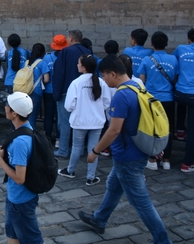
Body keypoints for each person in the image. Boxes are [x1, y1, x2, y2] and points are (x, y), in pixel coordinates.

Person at [79, 56, 172, 244]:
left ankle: (162, 240)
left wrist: (95, 151)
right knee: (114, 186)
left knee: (141, 202)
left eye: (104, 75)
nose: (103, 80)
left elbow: (114, 130)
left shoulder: (121, 95)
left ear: (113, 74)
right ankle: (99, 219)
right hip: (135, 152)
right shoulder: (138, 87)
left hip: (128, 156)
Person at [0, 92, 43, 244]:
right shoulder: (27, 129)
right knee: (13, 237)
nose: (5, 107)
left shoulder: (20, 142)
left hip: (21, 200)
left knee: (33, 241)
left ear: (14, 113)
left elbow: (20, 178)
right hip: (15, 197)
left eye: (8, 105)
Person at [58, 55, 110, 186]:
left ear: (84, 67)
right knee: (94, 149)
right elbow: (106, 103)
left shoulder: (76, 83)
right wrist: (97, 109)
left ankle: (70, 170)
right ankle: (91, 177)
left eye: (79, 63)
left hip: (80, 121)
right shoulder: (101, 82)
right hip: (97, 121)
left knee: (77, 147)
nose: (77, 65)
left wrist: (79, 108)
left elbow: (69, 105)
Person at [138, 31, 178, 171]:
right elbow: (175, 79)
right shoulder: (173, 59)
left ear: (151, 44)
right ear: (167, 44)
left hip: (152, 100)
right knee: (167, 129)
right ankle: (166, 160)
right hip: (169, 99)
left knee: (152, 129)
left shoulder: (146, 59)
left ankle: (153, 159)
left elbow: (142, 81)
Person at [52, 29, 91, 157]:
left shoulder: (66, 52)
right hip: (85, 92)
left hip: (66, 91)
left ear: (71, 38)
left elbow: (59, 74)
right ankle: (79, 148)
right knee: (81, 121)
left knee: (64, 122)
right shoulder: (87, 52)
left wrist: (57, 93)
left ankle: (63, 149)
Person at [174, 28, 194, 172]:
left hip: (179, 93)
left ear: (188, 39)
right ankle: (187, 163)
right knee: (193, 130)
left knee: (182, 100)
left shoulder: (180, 49)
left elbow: (175, 65)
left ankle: (180, 129)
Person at [25, 43, 50, 129]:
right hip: (36, 91)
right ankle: (30, 134)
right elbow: (46, 79)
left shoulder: (26, 62)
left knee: (24, 115)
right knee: (32, 117)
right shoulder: (42, 63)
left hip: (25, 91)